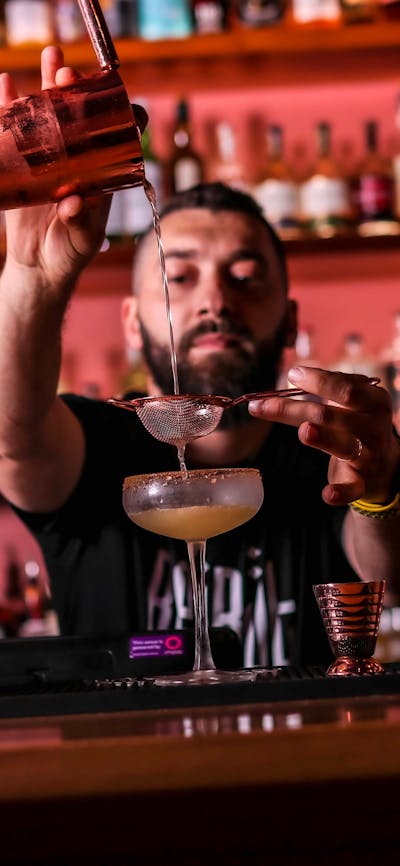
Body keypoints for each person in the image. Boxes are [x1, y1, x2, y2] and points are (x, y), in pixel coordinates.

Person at [1, 47, 400, 668]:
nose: (215, 300)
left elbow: (389, 576)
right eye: (180, 278)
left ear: (290, 320)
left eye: (245, 277)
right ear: (131, 323)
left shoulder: (323, 452)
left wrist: (378, 487)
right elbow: (12, 436)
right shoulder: (94, 449)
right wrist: (33, 277)